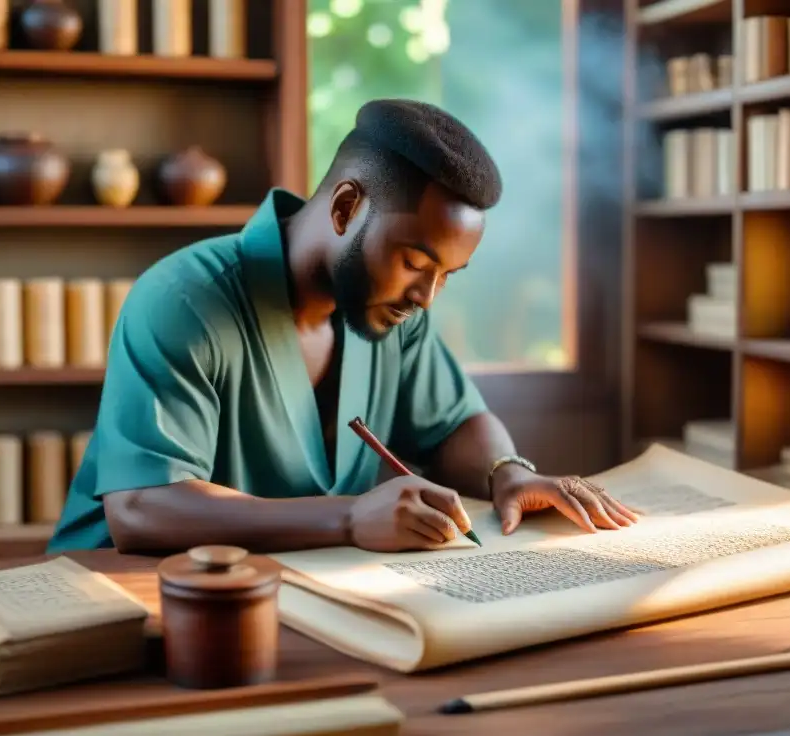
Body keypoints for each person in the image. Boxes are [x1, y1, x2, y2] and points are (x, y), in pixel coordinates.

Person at [47, 98, 639, 556]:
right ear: (345, 207)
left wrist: (507, 473)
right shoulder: (184, 300)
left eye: (447, 275)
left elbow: (455, 423)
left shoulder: (390, 311)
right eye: (415, 262)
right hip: (130, 594)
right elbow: (142, 508)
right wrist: (350, 518)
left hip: (294, 588)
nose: (426, 297)